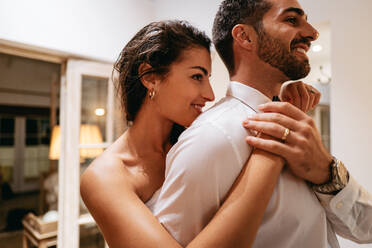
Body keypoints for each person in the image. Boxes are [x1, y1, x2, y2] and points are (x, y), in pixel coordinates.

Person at [151, 0, 372, 248]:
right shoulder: (210, 137)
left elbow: (366, 229)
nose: (312, 33)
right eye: (291, 19)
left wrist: (327, 171)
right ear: (245, 36)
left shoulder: (296, 124)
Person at [80, 20, 319, 248]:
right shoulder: (105, 177)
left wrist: (279, 101)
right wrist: (273, 146)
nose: (209, 94)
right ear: (150, 77)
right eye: (197, 76)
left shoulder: (198, 139)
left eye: (208, 77)